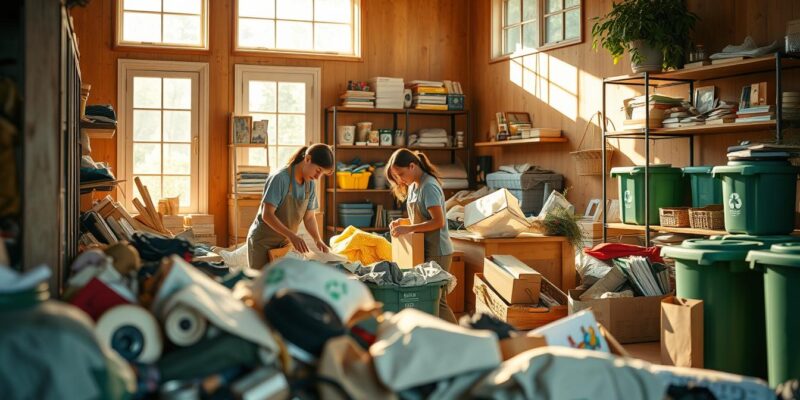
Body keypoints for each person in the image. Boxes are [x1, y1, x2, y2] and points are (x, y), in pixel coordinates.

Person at [386, 148, 457, 323]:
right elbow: (418, 217)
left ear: (412, 166)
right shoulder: (413, 186)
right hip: (425, 248)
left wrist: (409, 229)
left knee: (437, 299)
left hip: (438, 251)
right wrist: (402, 222)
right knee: (428, 297)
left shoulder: (429, 186)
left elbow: (438, 222)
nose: (400, 180)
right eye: (397, 177)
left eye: (401, 174)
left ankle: (459, 339)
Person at [247, 144, 334, 269]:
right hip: (262, 243)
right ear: (307, 159)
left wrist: (317, 239)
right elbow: (267, 215)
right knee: (262, 285)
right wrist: (292, 235)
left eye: (322, 174)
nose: (317, 177)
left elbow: (309, 218)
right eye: (318, 171)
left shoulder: (310, 185)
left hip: (284, 243)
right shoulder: (280, 178)